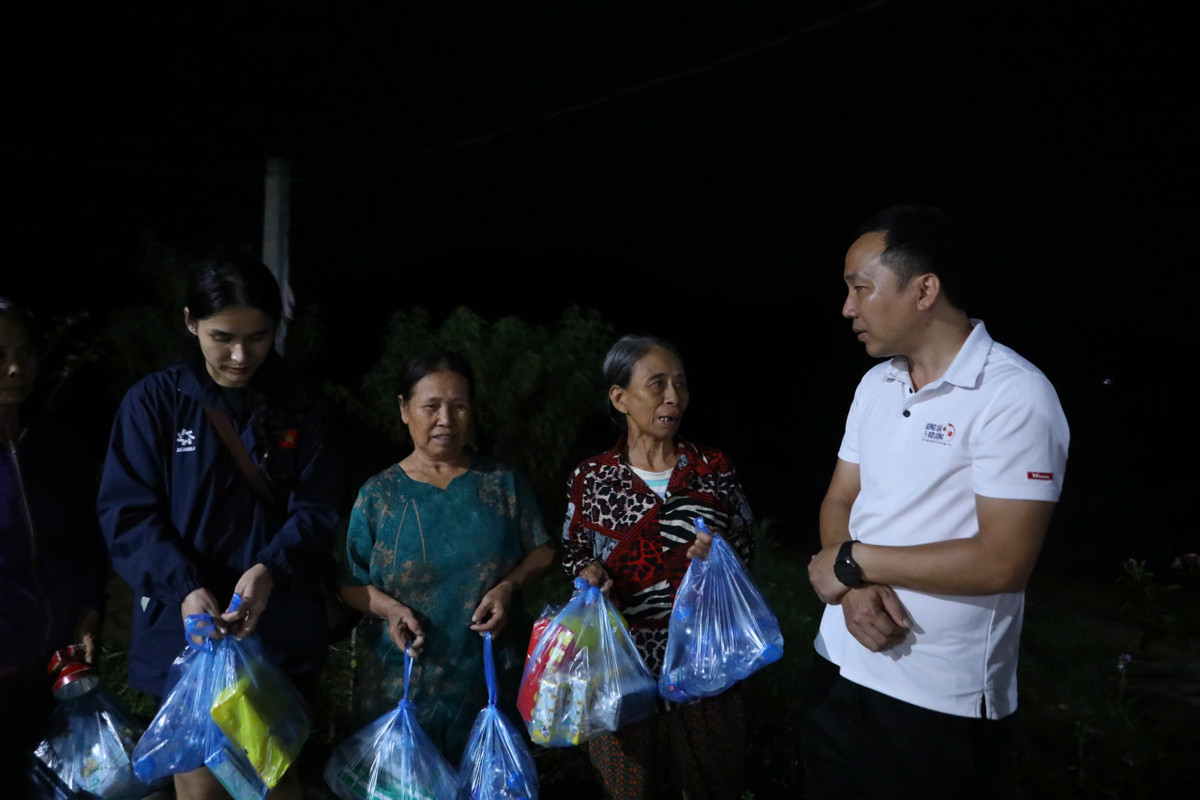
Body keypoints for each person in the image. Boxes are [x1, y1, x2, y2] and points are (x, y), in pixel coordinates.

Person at [802, 205, 1070, 799]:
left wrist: (852, 563)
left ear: (925, 290)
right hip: (839, 661)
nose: (848, 308)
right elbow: (840, 498)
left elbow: (1004, 560)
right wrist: (850, 585)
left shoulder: (1015, 395)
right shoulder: (877, 383)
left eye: (861, 289)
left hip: (935, 697)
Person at [96, 257, 339, 800]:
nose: (239, 355)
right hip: (189, 635)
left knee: (275, 780)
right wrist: (183, 587)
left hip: (273, 629)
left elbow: (317, 508)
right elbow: (127, 513)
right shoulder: (155, 403)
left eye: (257, 337)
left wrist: (268, 570)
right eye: (222, 337)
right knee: (201, 786)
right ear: (190, 323)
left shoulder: (299, 404)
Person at [562, 334, 754, 800]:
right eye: (658, 385)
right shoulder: (591, 478)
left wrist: (719, 556)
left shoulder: (712, 468)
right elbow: (573, 554)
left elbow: (746, 549)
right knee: (629, 787)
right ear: (620, 397)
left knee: (711, 784)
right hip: (620, 663)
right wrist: (590, 576)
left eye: (681, 385)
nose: (674, 397)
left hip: (706, 659)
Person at [339, 351, 556, 762]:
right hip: (399, 690)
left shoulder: (501, 484)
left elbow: (543, 552)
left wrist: (508, 587)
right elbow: (351, 585)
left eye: (459, 407)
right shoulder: (379, 495)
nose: (446, 419)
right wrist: (390, 610)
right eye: (431, 407)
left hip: (490, 686)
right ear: (404, 409)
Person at [1, 298, 107, 787]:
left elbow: (87, 539)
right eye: (0, 354)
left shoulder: (55, 444)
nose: (16, 368)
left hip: (55, 671)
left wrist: (87, 609)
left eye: (25, 352)